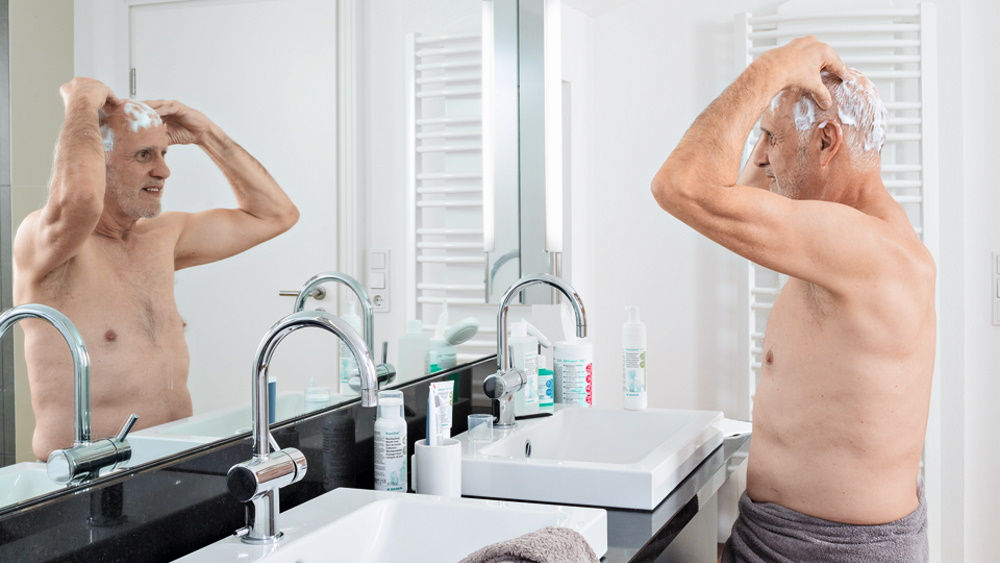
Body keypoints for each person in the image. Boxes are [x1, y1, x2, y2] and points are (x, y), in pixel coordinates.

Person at [651, 37, 934, 561]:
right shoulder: (832, 233)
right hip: (775, 536)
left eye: (769, 138)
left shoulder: (866, 247)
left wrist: (772, 67)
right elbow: (733, 190)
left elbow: (681, 186)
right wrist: (778, 111)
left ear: (827, 142)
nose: (759, 156)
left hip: (830, 552)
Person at [12, 77, 299, 460]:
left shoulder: (164, 236)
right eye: (144, 155)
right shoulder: (47, 243)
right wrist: (81, 100)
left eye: (165, 154)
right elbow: (80, 200)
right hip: (87, 482)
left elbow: (276, 214)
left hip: (172, 464)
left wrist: (206, 134)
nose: (163, 171)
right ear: (100, 162)